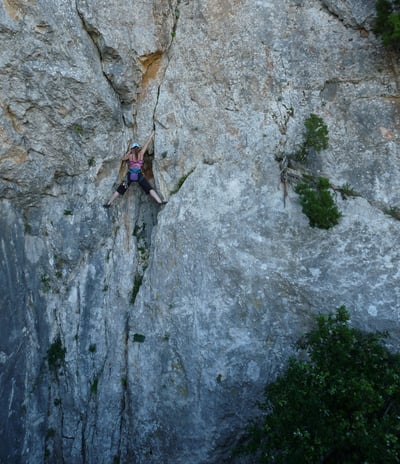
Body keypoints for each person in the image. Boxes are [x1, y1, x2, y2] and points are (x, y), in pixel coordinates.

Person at [103, 130, 167, 208]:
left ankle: (109, 203)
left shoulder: (130, 156)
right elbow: (147, 143)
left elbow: (123, 159)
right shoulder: (141, 154)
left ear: (132, 149)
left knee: (120, 189)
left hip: (130, 176)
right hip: (139, 176)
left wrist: (129, 151)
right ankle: (160, 202)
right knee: (149, 188)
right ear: (138, 149)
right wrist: (152, 134)